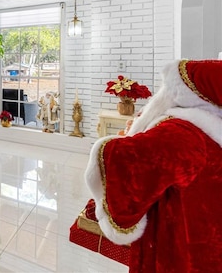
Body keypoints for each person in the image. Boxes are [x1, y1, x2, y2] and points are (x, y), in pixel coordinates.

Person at [85, 59, 222, 272]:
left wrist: (117, 143)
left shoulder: (180, 131)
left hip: (174, 242)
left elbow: (123, 160)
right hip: (208, 235)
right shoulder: (213, 129)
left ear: (185, 91)